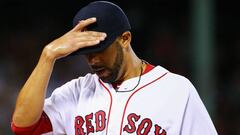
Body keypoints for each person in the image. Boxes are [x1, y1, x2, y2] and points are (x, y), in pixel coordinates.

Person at [11, 1, 218, 135]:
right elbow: (22, 127)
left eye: (100, 50)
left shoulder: (177, 91)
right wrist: (48, 55)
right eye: (86, 53)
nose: (92, 60)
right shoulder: (78, 91)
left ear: (125, 39)